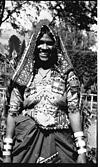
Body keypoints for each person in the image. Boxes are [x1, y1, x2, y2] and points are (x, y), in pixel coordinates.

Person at [3, 19, 86, 163]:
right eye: (40, 42)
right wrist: (7, 152)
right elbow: (12, 113)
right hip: (27, 143)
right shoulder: (24, 75)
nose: (44, 47)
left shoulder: (66, 76)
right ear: (34, 45)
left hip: (60, 143)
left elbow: (73, 110)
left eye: (49, 43)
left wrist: (82, 151)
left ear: (56, 46)